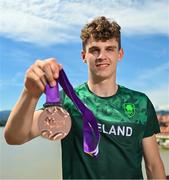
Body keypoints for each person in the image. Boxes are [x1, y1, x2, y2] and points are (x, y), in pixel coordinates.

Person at [4, 16, 166, 179]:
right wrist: (30, 93)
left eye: (109, 49)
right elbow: (14, 137)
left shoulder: (140, 103)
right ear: (83, 56)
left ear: (120, 54)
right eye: (94, 50)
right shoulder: (67, 101)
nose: (102, 56)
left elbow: (153, 164)